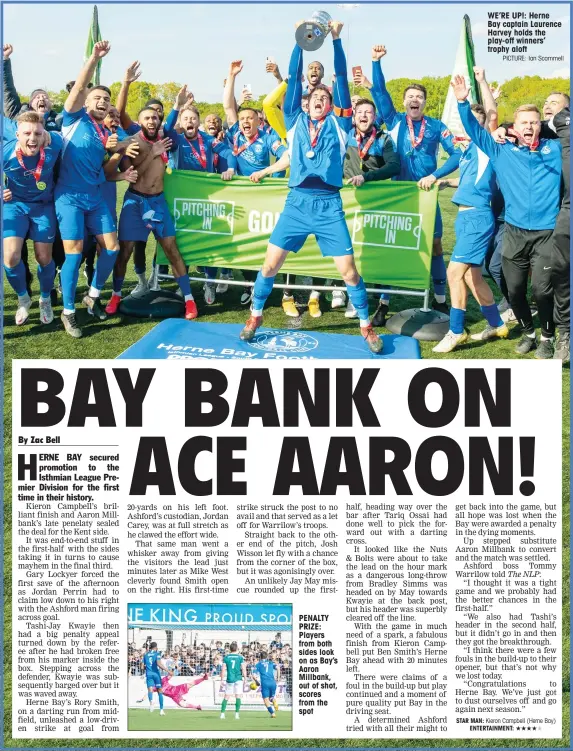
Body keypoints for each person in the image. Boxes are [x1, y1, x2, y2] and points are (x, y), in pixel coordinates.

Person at [240, 20, 382, 354]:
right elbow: (293, 75)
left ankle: (365, 324)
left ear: (331, 103)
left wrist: (335, 39)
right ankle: (255, 315)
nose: (318, 99)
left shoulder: (340, 121)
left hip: (329, 204)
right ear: (305, 102)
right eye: (313, 96)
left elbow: (342, 78)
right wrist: (300, 43)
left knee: (348, 273)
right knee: (270, 265)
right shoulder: (293, 119)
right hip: (298, 203)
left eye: (324, 96)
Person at [454, 76, 562, 358]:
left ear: (541, 125)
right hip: (514, 232)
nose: (529, 126)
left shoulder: (556, 151)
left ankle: (548, 337)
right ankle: (528, 332)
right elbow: (476, 132)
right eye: (524, 122)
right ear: (515, 126)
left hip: (546, 234)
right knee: (513, 291)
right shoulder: (502, 149)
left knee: (541, 290)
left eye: (534, 122)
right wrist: (463, 101)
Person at [368, 44, 462, 314]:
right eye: (410, 96)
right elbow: (381, 93)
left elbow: (457, 156)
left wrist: (434, 175)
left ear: (424, 102)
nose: (415, 99)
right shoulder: (394, 120)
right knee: (394, 244)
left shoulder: (437, 127)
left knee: (434, 246)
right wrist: (376, 62)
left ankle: (441, 300)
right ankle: (384, 303)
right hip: (399, 193)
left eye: (419, 96)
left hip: (426, 194)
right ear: (405, 101)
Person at [54, 40, 123, 338]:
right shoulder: (72, 118)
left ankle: (92, 296)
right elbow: (79, 87)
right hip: (68, 197)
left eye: (106, 100)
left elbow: (106, 168)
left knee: (112, 248)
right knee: (74, 253)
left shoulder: (104, 131)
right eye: (97, 97)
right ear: (85, 101)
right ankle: (68, 312)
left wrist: (115, 149)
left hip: (95, 197)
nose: (102, 102)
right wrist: (94, 59)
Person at [104, 106, 198, 319]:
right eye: (147, 117)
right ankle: (116, 294)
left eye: (155, 118)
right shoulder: (132, 143)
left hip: (158, 202)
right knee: (125, 252)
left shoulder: (165, 138)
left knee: (172, 250)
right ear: (140, 121)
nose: (152, 121)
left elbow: (179, 128)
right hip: (135, 202)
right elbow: (133, 175)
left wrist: (177, 104)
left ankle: (189, 299)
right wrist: (153, 153)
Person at [433, 100, 507, 353]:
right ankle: (497, 324)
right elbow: (468, 180)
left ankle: (456, 331)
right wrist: (445, 182)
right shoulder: (469, 152)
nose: (471, 126)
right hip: (465, 218)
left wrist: (478, 97)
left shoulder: (486, 146)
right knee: (470, 275)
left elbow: (492, 116)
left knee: (453, 273)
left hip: (477, 217)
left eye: (477, 121)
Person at [163, 86, 237, 305]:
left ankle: (210, 282)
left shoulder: (208, 139)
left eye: (193, 119)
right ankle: (182, 284)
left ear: (198, 122)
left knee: (209, 241)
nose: (189, 122)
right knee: (182, 242)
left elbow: (228, 153)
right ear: (182, 122)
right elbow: (166, 128)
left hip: (207, 199)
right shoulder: (176, 139)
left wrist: (230, 168)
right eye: (185, 119)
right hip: (183, 200)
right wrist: (177, 107)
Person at [223, 61, 288, 306]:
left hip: (263, 198)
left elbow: (285, 155)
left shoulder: (267, 136)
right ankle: (250, 284)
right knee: (242, 241)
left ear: (259, 121)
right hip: (240, 197)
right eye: (243, 119)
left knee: (264, 242)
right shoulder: (235, 134)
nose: (245, 121)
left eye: (250, 118)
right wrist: (231, 76)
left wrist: (271, 176)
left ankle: (268, 285)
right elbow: (229, 106)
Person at [343, 96, 400, 325]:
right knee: (351, 251)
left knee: (381, 252)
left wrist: (366, 177)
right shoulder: (345, 135)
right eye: (360, 112)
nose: (364, 115)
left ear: (374, 117)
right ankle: (354, 297)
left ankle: (383, 303)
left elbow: (394, 166)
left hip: (377, 203)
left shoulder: (384, 139)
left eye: (368, 112)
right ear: (354, 116)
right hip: (349, 202)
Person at [3, 111, 62, 325]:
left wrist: (50, 132)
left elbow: (63, 136)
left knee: (44, 258)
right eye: (27, 133)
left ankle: (45, 298)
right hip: (14, 206)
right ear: (17, 134)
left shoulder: (53, 142)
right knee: (10, 257)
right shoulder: (6, 151)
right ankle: (23, 299)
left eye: (37, 133)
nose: (32, 138)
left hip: (43, 207)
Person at [3, 43, 61, 131]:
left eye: (45, 97)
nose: (41, 99)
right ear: (30, 104)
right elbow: (8, 89)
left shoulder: (59, 121)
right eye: (37, 97)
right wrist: (5, 59)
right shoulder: (17, 115)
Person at [220, 641, 246, 720]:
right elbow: (243, 668)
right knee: (238, 696)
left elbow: (223, 669)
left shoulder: (226, 657)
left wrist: (222, 680)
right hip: (238, 678)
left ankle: (222, 714)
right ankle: (237, 714)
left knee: (226, 697)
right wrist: (245, 678)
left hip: (230, 679)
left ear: (230, 649)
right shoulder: (240, 657)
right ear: (237, 649)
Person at [142, 642, 169, 715]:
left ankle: (151, 701)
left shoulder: (145, 654)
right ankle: (161, 710)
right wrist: (167, 670)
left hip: (149, 674)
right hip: (156, 674)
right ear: (156, 647)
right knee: (159, 690)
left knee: (150, 689)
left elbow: (141, 666)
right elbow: (159, 664)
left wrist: (147, 667)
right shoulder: (157, 654)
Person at [252, 652, 279, 718]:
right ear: (266, 657)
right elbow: (278, 668)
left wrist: (256, 682)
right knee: (270, 698)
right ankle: (273, 700)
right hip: (273, 682)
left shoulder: (258, 664)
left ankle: (272, 713)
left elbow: (253, 675)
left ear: (260, 657)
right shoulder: (270, 663)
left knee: (266, 700)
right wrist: (278, 678)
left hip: (265, 683)